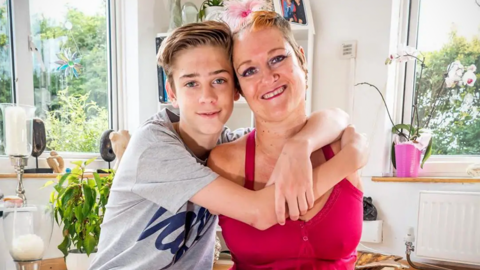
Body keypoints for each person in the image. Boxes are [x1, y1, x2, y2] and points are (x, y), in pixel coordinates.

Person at [90, 21, 366, 270]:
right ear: (171, 92)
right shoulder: (154, 147)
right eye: (191, 84)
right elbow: (261, 212)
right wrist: (350, 159)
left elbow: (333, 119)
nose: (207, 96)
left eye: (219, 80)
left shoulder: (225, 144)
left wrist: (301, 144)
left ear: (235, 89)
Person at [208, 10, 365, 269]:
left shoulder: (343, 144)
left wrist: (300, 146)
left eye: (278, 58)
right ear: (239, 89)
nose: (267, 78)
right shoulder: (224, 162)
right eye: (249, 71)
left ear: (301, 60)